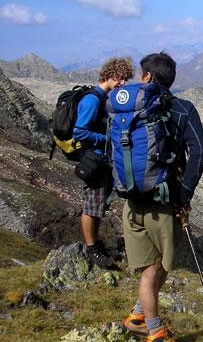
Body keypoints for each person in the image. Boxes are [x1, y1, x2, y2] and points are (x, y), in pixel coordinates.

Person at [121, 52, 203, 342]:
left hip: (131, 200)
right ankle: (154, 329)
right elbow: (198, 153)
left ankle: (138, 312)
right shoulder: (183, 109)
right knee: (158, 266)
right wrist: (184, 196)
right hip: (164, 203)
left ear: (147, 76)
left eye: (139, 74)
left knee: (149, 267)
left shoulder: (126, 110)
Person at [73, 57, 134, 268]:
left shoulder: (103, 98)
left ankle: (95, 244)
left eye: (126, 79)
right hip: (94, 160)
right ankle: (91, 249)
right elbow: (79, 132)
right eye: (121, 79)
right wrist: (107, 139)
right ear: (110, 75)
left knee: (98, 205)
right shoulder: (92, 100)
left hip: (102, 159)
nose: (123, 84)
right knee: (91, 206)